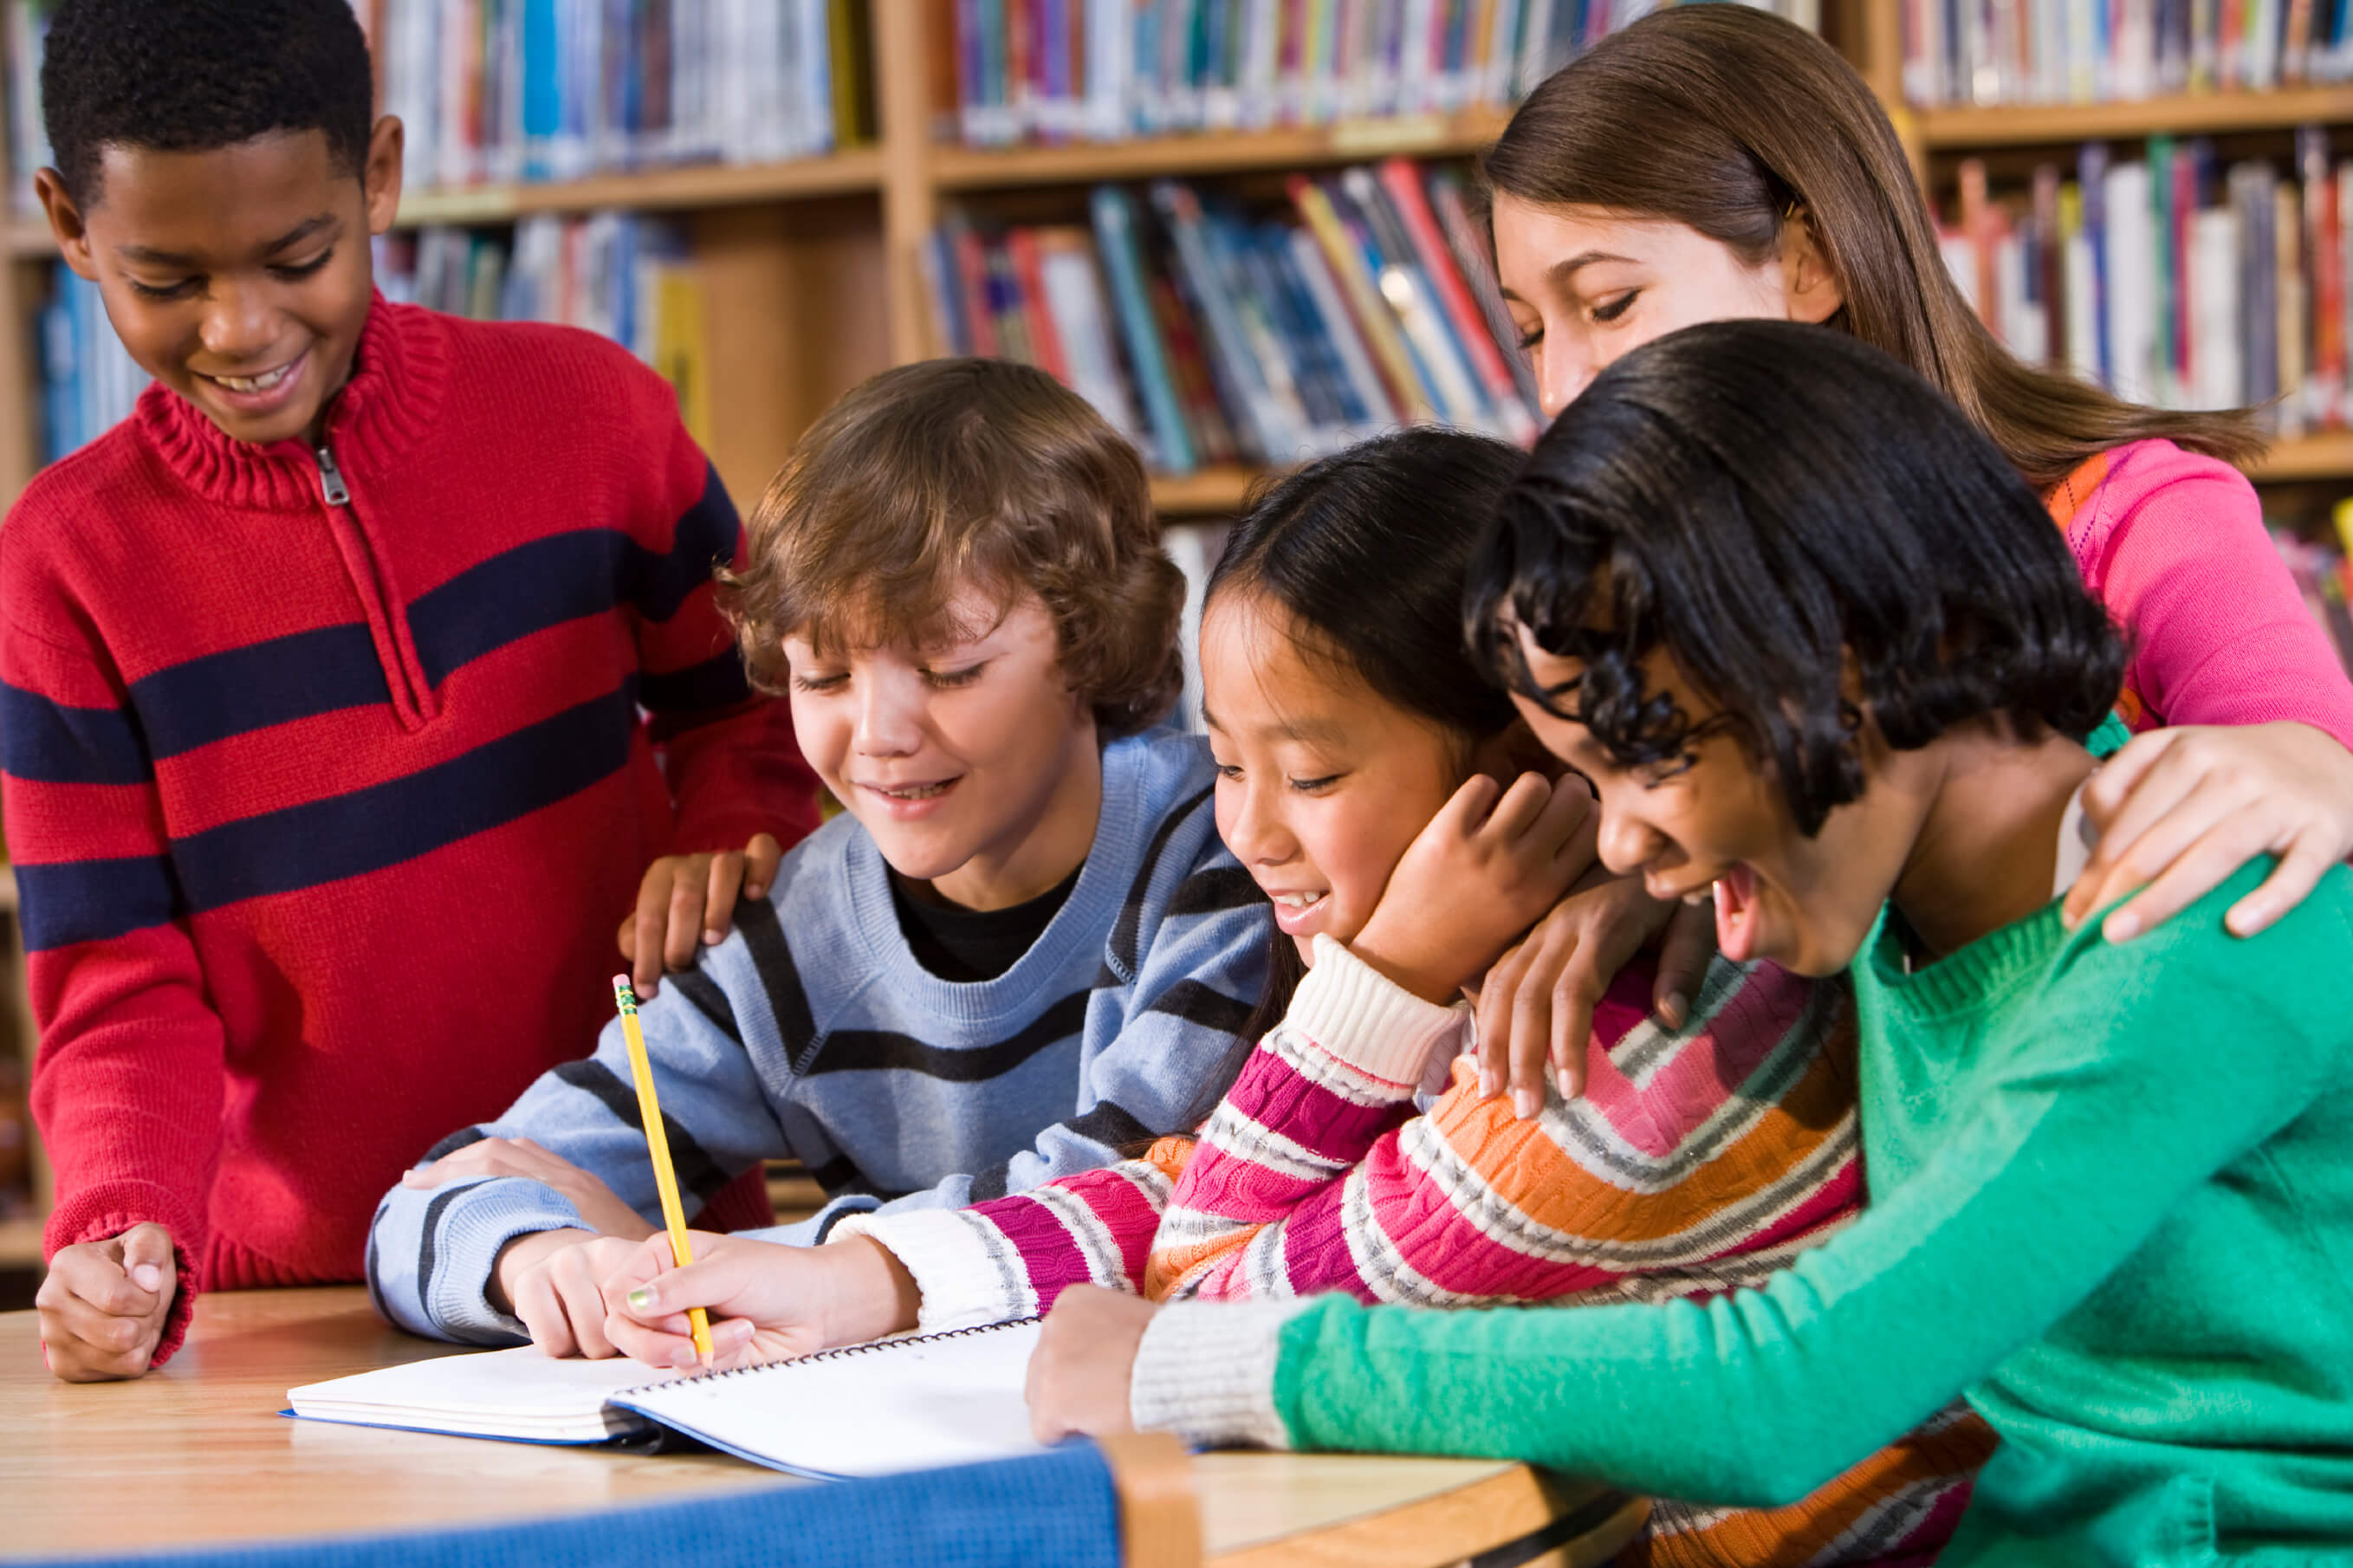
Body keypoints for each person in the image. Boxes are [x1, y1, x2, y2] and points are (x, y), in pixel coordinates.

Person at [1026, 320, 2353, 1566]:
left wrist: (1193, 1364)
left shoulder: (2195, 922)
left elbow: (1783, 1387)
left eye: (1642, 760)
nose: (1612, 844)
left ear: (1850, 658)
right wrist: (1666, 864)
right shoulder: (1887, 889)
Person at [603, 431, 1995, 1566]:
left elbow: (1206, 1284)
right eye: (1224, 765)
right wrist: (874, 1278)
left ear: (1525, 769)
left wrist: (1376, 985)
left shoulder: (1606, 1061)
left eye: (1314, 776)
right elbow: (1202, 1185)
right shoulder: (1503, 980)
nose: (1250, 832)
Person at [6, 0, 817, 1382]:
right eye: (166, 277)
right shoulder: (64, 568)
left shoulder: (594, 416)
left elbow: (754, 708)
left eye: (297, 256)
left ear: (378, 176)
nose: (241, 325)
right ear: (70, 228)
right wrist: (125, 1219)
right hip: (305, 1306)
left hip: (640, 1236)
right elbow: (114, 972)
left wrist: (723, 834)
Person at [1468, 3, 2353, 1115]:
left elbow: (2306, 793)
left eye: (1607, 304)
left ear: (1807, 262)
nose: (1557, 391)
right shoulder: (1647, 591)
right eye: (1531, 333)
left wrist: (2317, 765)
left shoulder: (2134, 518)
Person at [368, 358, 1269, 1355]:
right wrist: (543, 1259)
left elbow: (1134, 1203)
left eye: (950, 669)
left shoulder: (1228, 849)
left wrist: (725, 1255)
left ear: (1090, 643)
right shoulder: (790, 934)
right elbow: (427, 1206)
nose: (877, 733)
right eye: (823, 674)